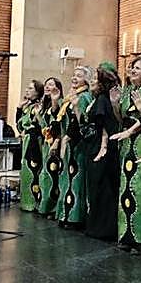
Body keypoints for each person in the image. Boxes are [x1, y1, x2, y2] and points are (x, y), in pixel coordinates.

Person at [113, 56, 141, 250]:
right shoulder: (129, 91)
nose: (132, 70)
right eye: (131, 68)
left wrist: (130, 132)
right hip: (127, 143)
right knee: (126, 187)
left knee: (139, 186)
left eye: (137, 68)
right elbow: (121, 117)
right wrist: (115, 104)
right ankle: (127, 235)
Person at [84, 65, 121, 240]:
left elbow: (105, 126)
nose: (91, 81)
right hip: (97, 145)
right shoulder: (99, 99)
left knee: (103, 187)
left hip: (101, 147)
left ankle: (103, 228)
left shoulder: (102, 100)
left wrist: (102, 149)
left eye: (95, 79)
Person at [58, 65, 94, 228]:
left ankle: (75, 217)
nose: (74, 78)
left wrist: (69, 137)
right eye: (74, 75)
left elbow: (83, 121)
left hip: (78, 143)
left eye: (79, 76)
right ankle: (66, 213)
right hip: (70, 142)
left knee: (76, 179)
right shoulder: (71, 96)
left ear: (85, 80)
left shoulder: (85, 96)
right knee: (68, 179)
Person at [37, 77, 65, 217]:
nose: (47, 87)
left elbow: (60, 125)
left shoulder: (60, 103)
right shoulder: (45, 105)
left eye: (51, 85)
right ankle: (45, 206)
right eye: (46, 84)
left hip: (55, 144)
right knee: (45, 176)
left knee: (54, 175)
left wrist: (56, 141)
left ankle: (54, 208)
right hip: (46, 144)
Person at [16, 80, 44, 212]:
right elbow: (20, 125)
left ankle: (34, 202)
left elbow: (39, 126)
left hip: (34, 142)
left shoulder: (38, 107)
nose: (27, 90)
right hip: (26, 141)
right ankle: (25, 201)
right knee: (25, 172)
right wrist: (19, 108)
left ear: (37, 92)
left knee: (33, 172)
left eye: (30, 88)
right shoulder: (27, 107)